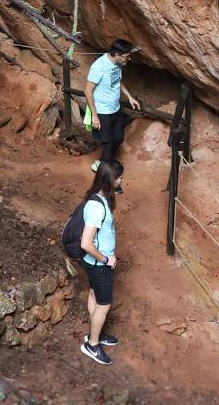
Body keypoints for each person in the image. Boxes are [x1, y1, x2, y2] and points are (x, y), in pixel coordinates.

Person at [80, 160, 123, 366]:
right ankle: (92, 345)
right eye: (120, 177)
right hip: (99, 264)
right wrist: (106, 259)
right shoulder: (96, 207)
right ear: (111, 180)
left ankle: (95, 333)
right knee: (104, 305)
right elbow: (86, 243)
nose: (122, 181)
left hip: (94, 263)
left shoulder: (100, 195)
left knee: (94, 295)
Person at [84, 39, 141, 183]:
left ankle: (101, 163)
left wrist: (129, 97)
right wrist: (95, 116)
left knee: (119, 138)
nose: (129, 58)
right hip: (103, 112)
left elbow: (118, 81)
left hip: (115, 109)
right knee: (108, 143)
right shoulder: (99, 67)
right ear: (116, 54)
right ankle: (104, 179)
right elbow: (88, 91)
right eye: (127, 56)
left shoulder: (116, 64)